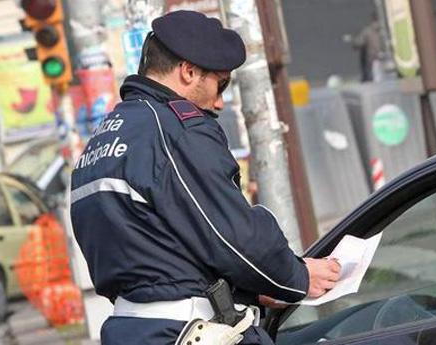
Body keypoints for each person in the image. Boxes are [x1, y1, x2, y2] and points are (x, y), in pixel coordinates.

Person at [70, 10, 341, 345]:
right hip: (191, 331)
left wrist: (247, 289)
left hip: (132, 330)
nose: (219, 102)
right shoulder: (176, 129)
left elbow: (160, 248)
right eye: (220, 83)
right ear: (188, 71)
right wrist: (297, 277)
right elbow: (232, 236)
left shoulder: (101, 142)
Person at [351, 13, 384, 82]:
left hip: (377, 60)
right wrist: (355, 44)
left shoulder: (371, 32)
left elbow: (358, 43)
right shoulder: (368, 32)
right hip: (374, 60)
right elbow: (359, 42)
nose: (377, 24)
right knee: (377, 78)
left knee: (378, 78)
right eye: (376, 22)